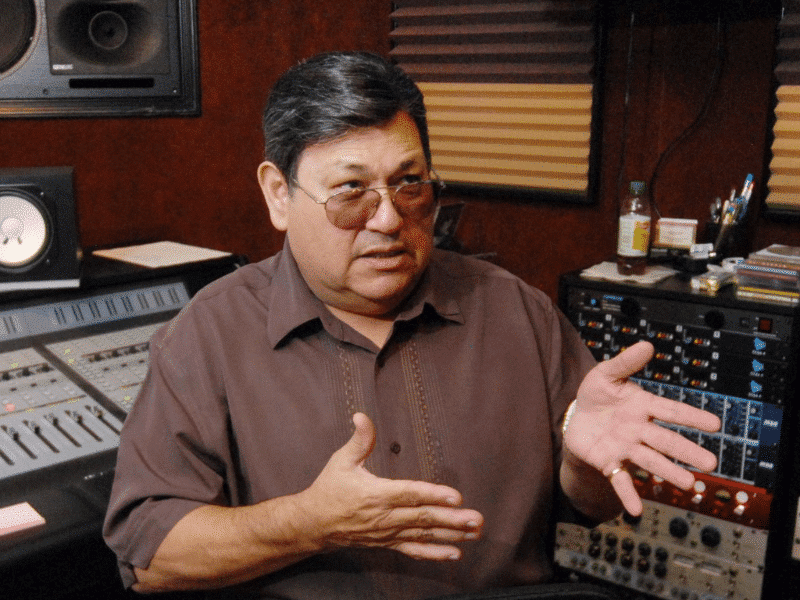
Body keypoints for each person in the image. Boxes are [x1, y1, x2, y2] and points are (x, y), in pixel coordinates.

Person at [102, 51, 720, 599]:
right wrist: (307, 523)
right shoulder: (208, 335)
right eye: (351, 192)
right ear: (278, 195)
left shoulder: (517, 311)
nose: (390, 220)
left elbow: (594, 505)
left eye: (410, 184)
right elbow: (150, 555)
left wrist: (586, 472)